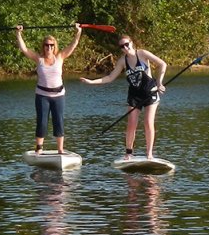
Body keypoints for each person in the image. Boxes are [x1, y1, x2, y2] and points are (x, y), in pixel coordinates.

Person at [80, 35, 167, 159]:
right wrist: (92, 82)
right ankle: (128, 153)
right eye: (122, 46)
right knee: (131, 123)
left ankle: (149, 154)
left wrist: (159, 82)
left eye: (127, 44)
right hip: (134, 94)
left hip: (150, 92)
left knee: (148, 122)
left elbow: (162, 64)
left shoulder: (142, 53)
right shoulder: (122, 61)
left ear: (132, 43)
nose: (125, 48)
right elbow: (110, 77)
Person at [16, 24, 83, 154]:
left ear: (54, 46)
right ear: (43, 46)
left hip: (58, 95)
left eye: (51, 45)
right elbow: (24, 49)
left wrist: (78, 31)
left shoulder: (60, 57)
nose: (49, 47)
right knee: (42, 121)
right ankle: (39, 148)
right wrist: (18, 34)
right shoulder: (38, 59)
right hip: (42, 95)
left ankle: (60, 149)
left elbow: (73, 45)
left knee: (58, 120)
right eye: (47, 45)